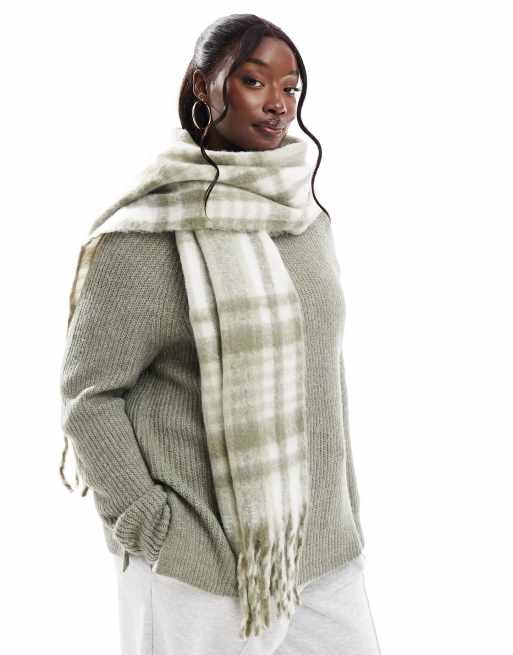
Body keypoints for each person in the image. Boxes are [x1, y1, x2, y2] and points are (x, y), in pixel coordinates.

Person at [59, 13, 382, 655]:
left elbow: (326, 375)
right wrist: (149, 524)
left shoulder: (304, 218)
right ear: (204, 87)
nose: (278, 104)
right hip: (200, 570)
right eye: (254, 81)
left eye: (291, 87)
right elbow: (89, 397)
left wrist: (343, 514)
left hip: (322, 556)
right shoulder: (148, 236)